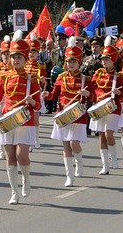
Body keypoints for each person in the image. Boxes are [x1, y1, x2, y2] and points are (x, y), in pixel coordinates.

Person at [0, 30, 40, 204]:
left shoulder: (31, 79)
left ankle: (26, 179)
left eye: (19, 57)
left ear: (26, 59)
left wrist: (32, 101)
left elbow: (38, 105)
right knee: (10, 156)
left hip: (25, 120)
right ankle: (14, 192)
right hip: (8, 118)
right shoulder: (4, 76)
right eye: (13, 57)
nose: (15, 60)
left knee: (21, 155)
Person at [43, 36, 92, 187]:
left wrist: (87, 94)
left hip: (78, 116)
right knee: (66, 146)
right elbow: (54, 95)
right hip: (63, 114)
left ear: (79, 62)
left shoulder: (86, 79)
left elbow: (93, 97)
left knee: (74, 144)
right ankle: (69, 176)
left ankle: (79, 161)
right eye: (69, 61)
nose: (71, 64)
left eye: (74, 61)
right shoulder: (61, 77)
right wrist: (47, 95)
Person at [89, 37, 123, 174]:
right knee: (102, 135)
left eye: (106, 59)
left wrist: (118, 92)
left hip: (113, 108)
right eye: (103, 59)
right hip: (100, 107)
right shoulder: (98, 74)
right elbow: (92, 90)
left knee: (109, 134)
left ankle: (114, 158)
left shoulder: (118, 76)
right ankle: (105, 165)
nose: (103, 61)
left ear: (113, 61)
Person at [25, 33, 47, 150]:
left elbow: (45, 82)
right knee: (26, 117)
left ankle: (36, 139)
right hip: (25, 92)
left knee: (35, 118)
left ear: (38, 53)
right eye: (30, 52)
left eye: (34, 52)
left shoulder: (41, 66)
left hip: (36, 92)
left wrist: (43, 82)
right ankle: (28, 140)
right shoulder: (24, 65)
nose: (31, 54)